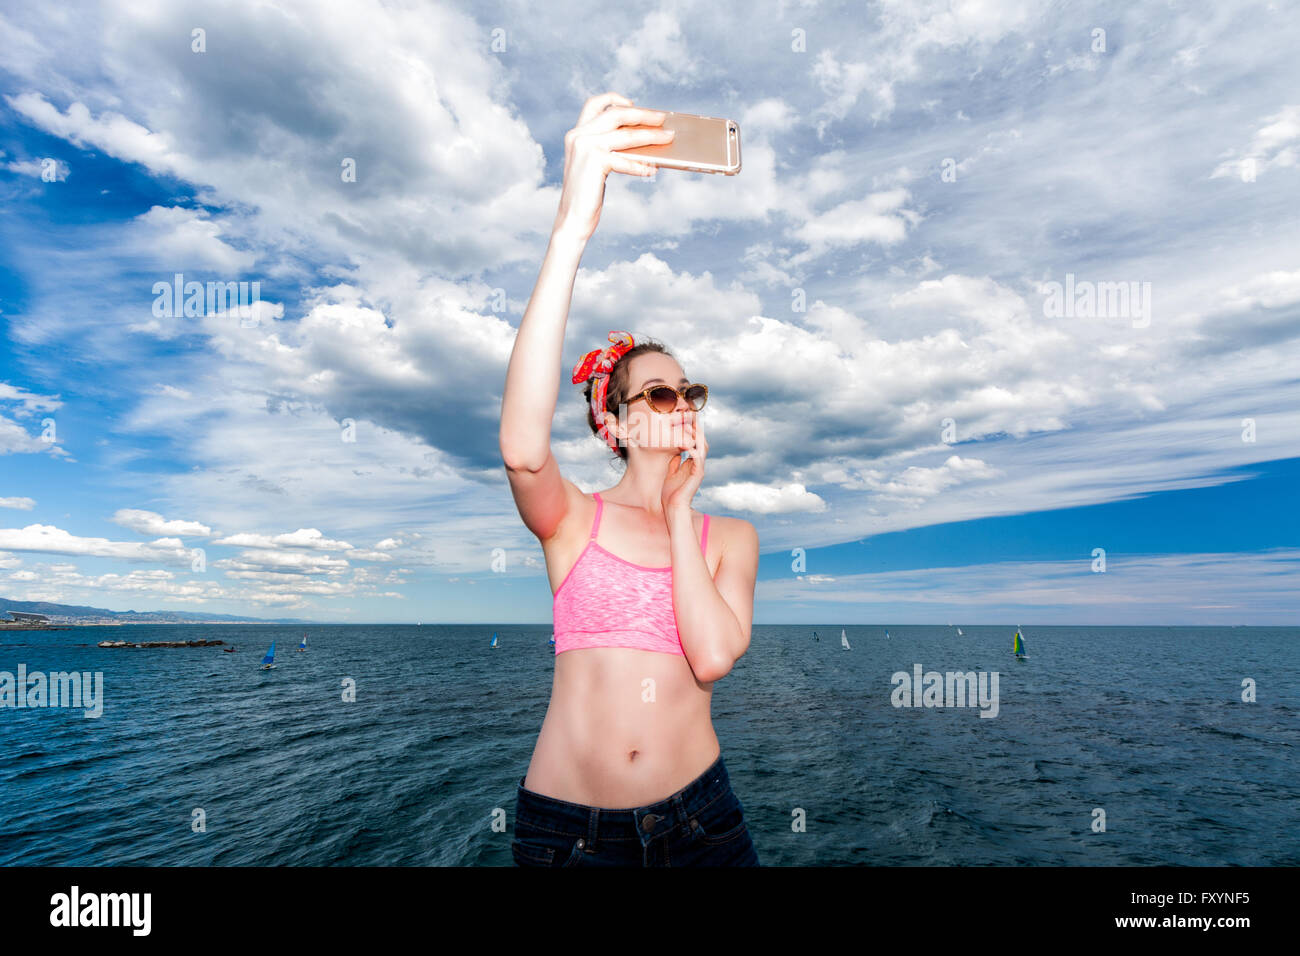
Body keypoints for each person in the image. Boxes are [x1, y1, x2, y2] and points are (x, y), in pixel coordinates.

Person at [499, 92, 761, 866]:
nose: (681, 404)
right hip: (571, 839)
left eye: (690, 392)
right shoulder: (572, 520)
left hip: (702, 826)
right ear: (613, 424)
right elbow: (521, 448)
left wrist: (681, 516)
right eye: (658, 393)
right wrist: (570, 233)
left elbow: (711, 656)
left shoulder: (731, 538)